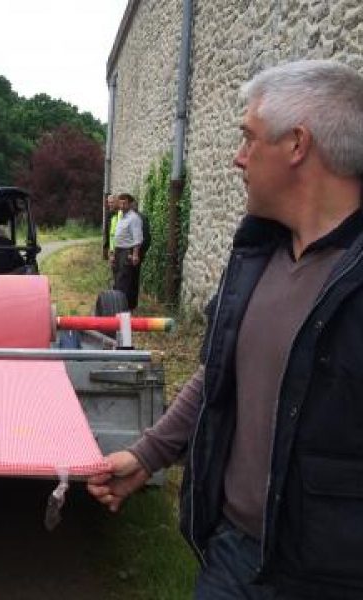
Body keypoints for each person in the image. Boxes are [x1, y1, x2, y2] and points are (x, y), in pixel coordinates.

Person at [87, 59, 363, 598]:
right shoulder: (258, 254)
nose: (238, 158)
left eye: (249, 138)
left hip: (330, 578)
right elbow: (218, 373)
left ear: (297, 145)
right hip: (232, 557)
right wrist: (147, 455)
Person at [109, 193, 143, 309]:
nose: (122, 205)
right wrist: (113, 254)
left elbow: (137, 238)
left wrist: (135, 254)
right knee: (118, 278)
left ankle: (124, 308)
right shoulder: (121, 216)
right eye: (121, 202)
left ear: (130, 204)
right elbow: (116, 237)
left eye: (125, 203)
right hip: (119, 251)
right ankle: (118, 305)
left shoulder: (134, 218)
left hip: (127, 251)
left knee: (124, 280)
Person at [103, 193, 121, 261]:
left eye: (112, 202)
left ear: (117, 202)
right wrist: (105, 247)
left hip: (121, 248)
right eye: (109, 202)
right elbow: (107, 232)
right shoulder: (109, 215)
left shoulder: (122, 214)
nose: (110, 204)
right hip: (112, 249)